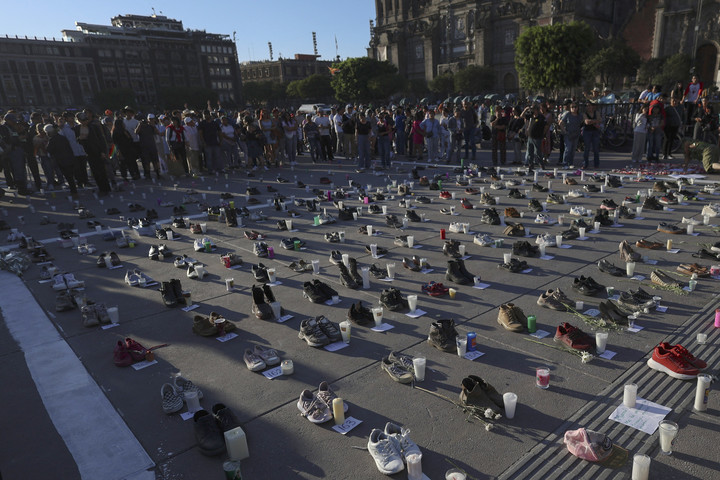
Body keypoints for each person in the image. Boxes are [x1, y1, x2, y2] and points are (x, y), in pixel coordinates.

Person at [75, 111, 111, 193]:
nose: (84, 122)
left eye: (85, 120)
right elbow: (77, 140)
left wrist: (102, 151)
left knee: (101, 170)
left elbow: (101, 139)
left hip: (98, 150)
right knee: (95, 171)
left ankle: (105, 188)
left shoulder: (94, 127)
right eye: (82, 120)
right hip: (88, 152)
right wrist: (80, 138)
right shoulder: (77, 128)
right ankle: (101, 188)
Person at [45, 124, 79, 196]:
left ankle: (74, 192)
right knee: (71, 177)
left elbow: (49, 150)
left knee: (68, 177)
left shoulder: (52, 140)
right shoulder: (62, 137)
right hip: (70, 158)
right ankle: (74, 191)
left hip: (62, 160)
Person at [135, 114, 161, 179]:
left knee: (155, 160)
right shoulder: (140, 126)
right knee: (146, 161)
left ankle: (158, 173)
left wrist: (153, 126)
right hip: (144, 146)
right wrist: (139, 125)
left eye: (152, 119)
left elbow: (158, 133)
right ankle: (147, 173)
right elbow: (136, 132)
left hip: (152, 145)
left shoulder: (151, 126)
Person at [559, 102, 582, 167]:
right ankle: (565, 162)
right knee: (568, 149)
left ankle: (570, 163)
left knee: (573, 149)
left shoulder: (579, 115)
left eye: (575, 107)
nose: (574, 108)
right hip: (568, 134)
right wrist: (564, 131)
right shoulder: (567, 114)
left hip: (576, 134)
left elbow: (581, 122)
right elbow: (561, 123)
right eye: (572, 107)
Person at [663, 95, 684, 161]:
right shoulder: (667, 108)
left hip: (675, 125)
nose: (674, 102)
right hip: (668, 126)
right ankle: (664, 154)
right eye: (673, 101)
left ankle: (669, 153)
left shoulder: (679, 108)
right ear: (670, 101)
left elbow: (682, 116)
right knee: (667, 139)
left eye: (675, 101)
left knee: (672, 140)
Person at [581, 102, 601, 169]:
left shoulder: (596, 112)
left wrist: (591, 121)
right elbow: (586, 122)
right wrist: (595, 121)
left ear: (593, 106)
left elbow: (599, 120)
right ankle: (585, 164)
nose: (588, 107)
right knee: (587, 148)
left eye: (590, 106)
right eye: (587, 106)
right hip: (587, 131)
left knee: (596, 149)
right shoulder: (584, 114)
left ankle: (596, 164)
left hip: (595, 132)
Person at [646, 97, 665, 162]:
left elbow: (662, 123)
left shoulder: (661, 115)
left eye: (657, 109)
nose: (655, 110)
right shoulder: (649, 116)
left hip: (658, 130)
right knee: (650, 144)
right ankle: (649, 156)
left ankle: (657, 156)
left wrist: (656, 127)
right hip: (651, 130)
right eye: (654, 109)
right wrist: (650, 127)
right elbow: (647, 123)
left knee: (658, 144)